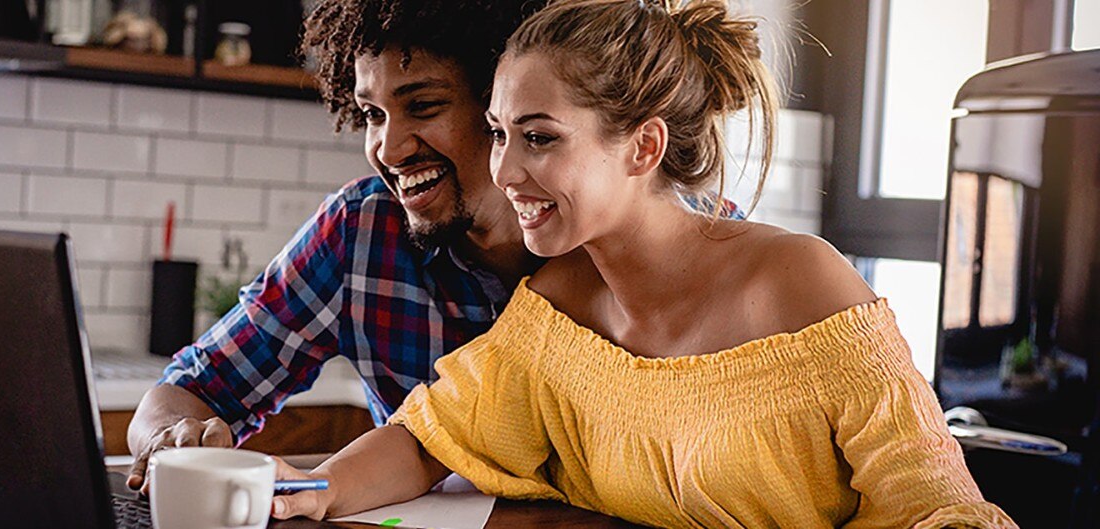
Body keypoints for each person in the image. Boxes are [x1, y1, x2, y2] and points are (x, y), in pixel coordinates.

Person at [266, 0, 1019, 527]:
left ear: (644, 147)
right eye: (499, 134)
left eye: (539, 138)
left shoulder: (801, 284)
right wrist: (308, 486)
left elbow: (936, 502)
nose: (504, 171)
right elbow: (428, 439)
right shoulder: (555, 308)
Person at [124, 0, 740, 492]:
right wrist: (168, 437)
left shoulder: (665, 241)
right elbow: (197, 386)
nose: (388, 151)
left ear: (502, 104)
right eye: (371, 114)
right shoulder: (360, 232)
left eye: (423, 105)